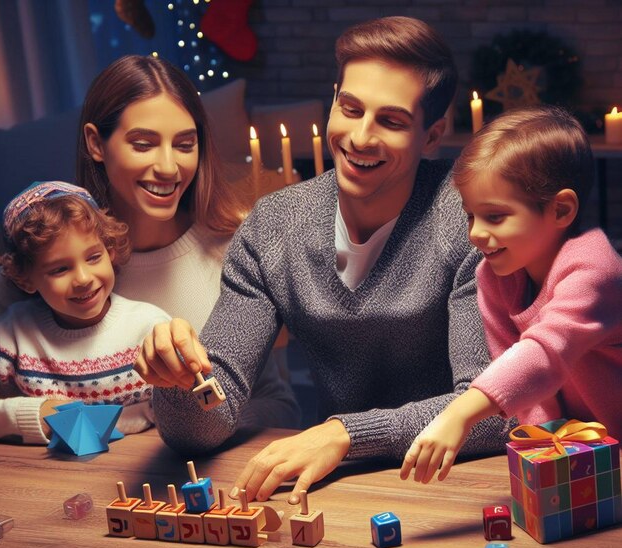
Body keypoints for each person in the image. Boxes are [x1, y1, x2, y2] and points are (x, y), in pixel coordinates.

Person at [137, 16, 511, 503]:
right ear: (333, 99)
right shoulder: (273, 227)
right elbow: (207, 423)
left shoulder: (469, 220)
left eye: (391, 121)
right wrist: (183, 383)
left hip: (456, 487)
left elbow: (491, 411)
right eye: (350, 108)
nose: (360, 137)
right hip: (333, 487)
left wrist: (345, 434)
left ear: (432, 135)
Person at [73, 54, 300, 429]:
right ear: (96, 143)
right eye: (143, 144)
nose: (168, 167)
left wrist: (186, 431)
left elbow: (281, 407)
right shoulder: (60, 265)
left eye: (184, 144)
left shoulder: (235, 251)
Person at [400, 106, 622, 484]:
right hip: (585, 456)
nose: (474, 233)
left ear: (561, 209)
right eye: (470, 216)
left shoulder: (594, 267)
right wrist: (547, 454)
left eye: (495, 217)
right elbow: (524, 387)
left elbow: (544, 354)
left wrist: (459, 413)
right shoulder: (494, 276)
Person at [0, 181, 170, 444]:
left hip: (137, 473)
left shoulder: (150, 328)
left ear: (109, 251)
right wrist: (33, 415)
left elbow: (191, 409)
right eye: (59, 269)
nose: (83, 279)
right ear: (25, 279)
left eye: (93, 257)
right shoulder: (12, 333)